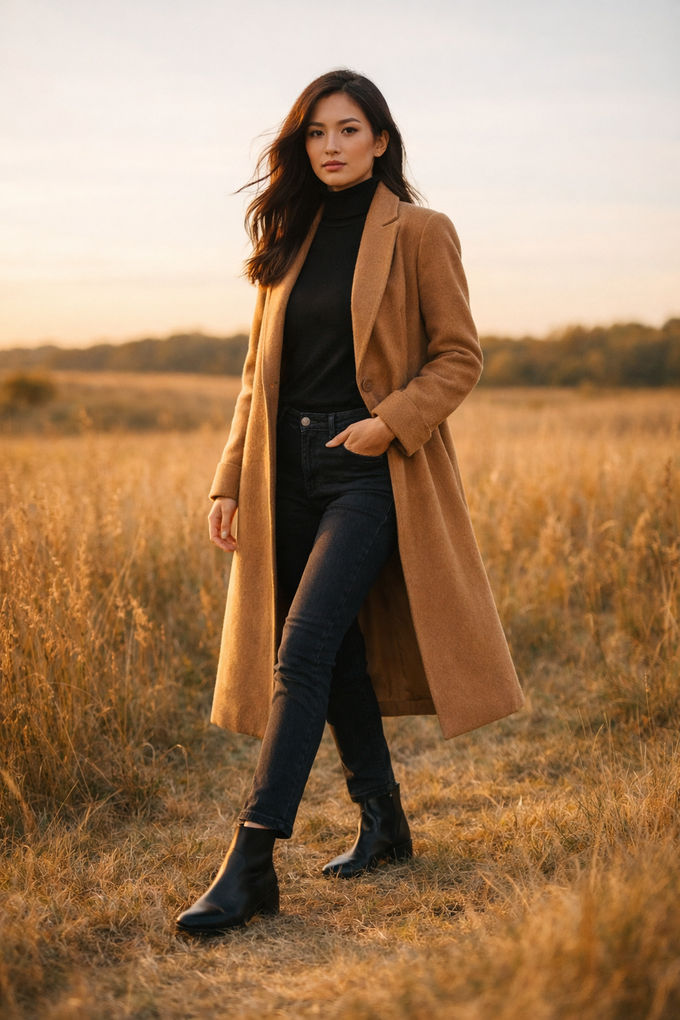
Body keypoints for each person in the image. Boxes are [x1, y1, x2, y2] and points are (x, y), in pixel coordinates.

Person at [176, 69, 523, 936]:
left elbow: (459, 356)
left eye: (348, 129)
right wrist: (229, 479)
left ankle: (250, 861)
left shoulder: (421, 231)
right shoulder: (285, 241)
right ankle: (385, 821)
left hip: (369, 467)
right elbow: (256, 380)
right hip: (280, 468)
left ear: (380, 140)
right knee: (337, 660)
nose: (331, 146)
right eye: (317, 133)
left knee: (302, 651)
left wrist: (388, 424)